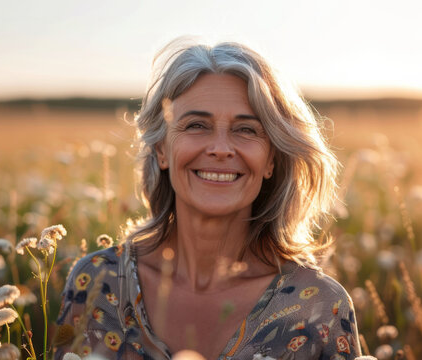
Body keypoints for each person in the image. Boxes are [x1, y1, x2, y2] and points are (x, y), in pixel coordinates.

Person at [54, 39, 363, 359]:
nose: (220, 148)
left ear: (271, 159)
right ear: (161, 149)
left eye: (246, 130)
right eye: (196, 125)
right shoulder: (96, 282)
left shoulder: (319, 307)